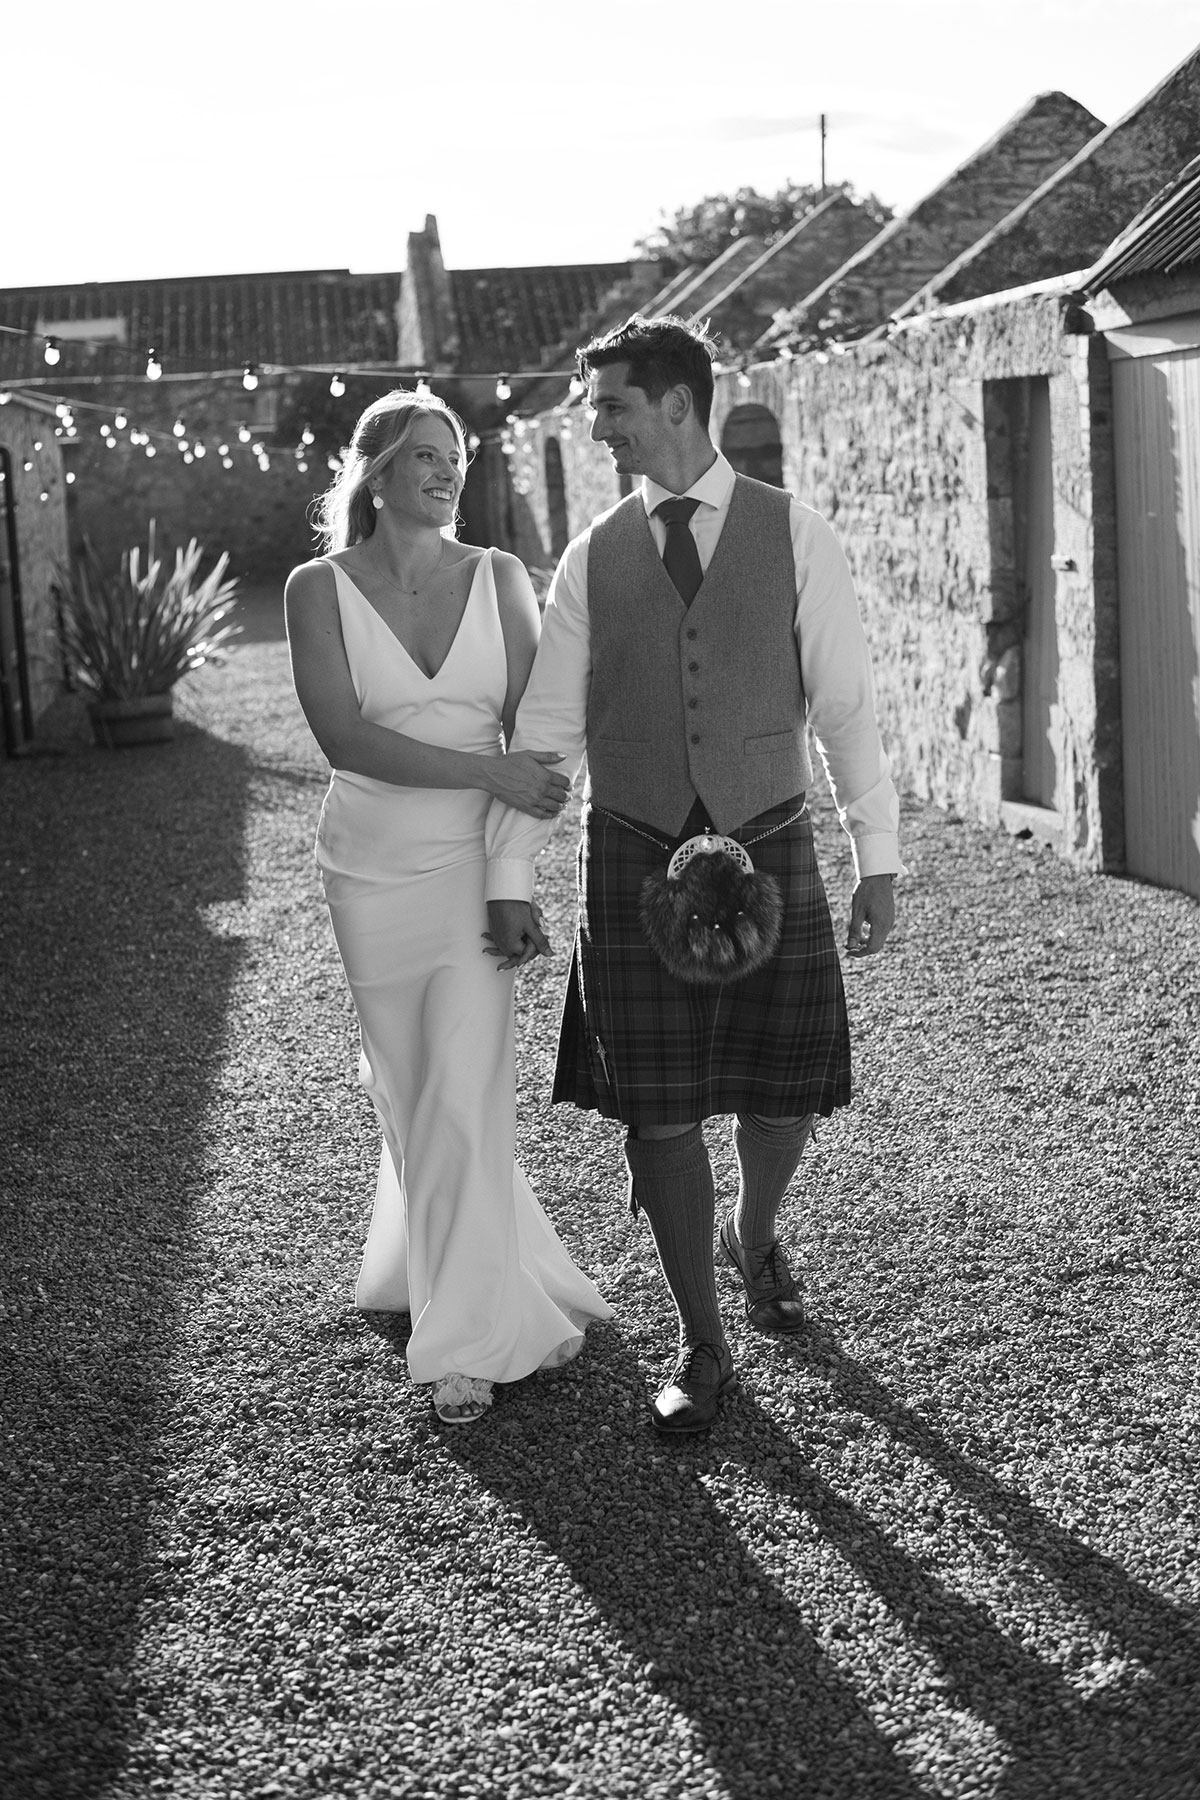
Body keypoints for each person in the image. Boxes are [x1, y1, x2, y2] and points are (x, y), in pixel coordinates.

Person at [484, 316, 900, 1434]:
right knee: (658, 1115)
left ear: (675, 403)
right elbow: (551, 727)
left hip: (769, 836)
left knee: (786, 1085)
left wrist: (879, 856)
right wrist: (511, 873)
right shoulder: (590, 554)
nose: (598, 425)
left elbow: (848, 709)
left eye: (611, 405)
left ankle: (753, 1230)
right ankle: (702, 1343)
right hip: (630, 846)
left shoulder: (796, 534)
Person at [284, 389, 612, 1426]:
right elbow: (345, 738)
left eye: (457, 457)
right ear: (375, 472)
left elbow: (538, 736)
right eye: (425, 455)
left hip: (472, 869)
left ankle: (462, 1341)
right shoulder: (314, 588)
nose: (446, 473)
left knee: (467, 1089)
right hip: (371, 874)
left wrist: (515, 863)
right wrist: (491, 776)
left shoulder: (501, 576)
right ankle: (434, 1260)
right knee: (413, 1083)